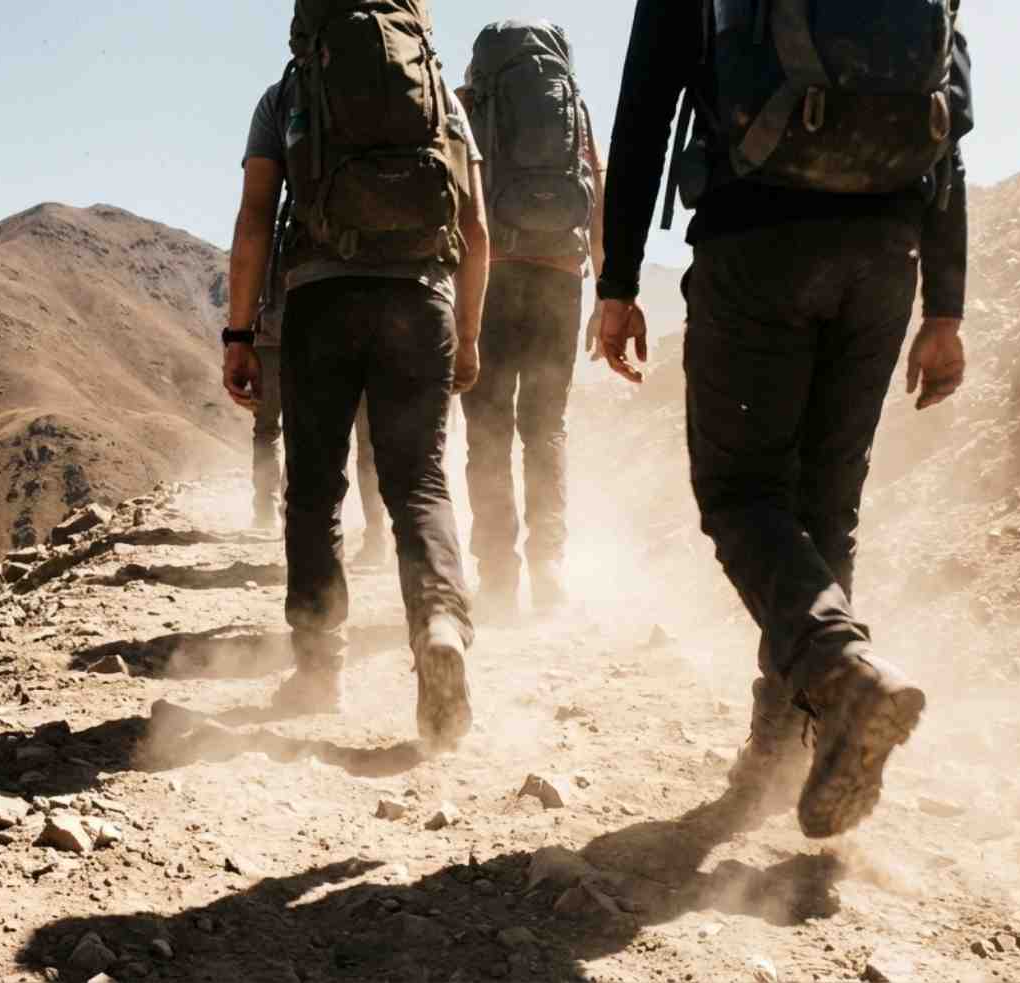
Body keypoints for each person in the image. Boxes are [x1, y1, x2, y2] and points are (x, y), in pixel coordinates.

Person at [598, 0, 972, 838]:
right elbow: (950, 114)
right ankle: (784, 752)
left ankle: (839, 672)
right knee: (825, 507)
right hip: (887, 251)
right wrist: (945, 308)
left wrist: (617, 282)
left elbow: (645, 109)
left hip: (757, 239)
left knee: (740, 492)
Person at [224, 1, 490, 752]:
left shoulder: (287, 95)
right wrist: (467, 333)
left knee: (314, 485)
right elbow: (474, 226)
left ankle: (318, 666)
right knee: (421, 483)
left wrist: (240, 333)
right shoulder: (434, 87)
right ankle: (439, 624)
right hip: (421, 298)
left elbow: (252, 218)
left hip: (320, 301)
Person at [457, 20, 606, 618]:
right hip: (561, 278)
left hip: (489, 278)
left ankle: (497, 577)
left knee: (487, 432)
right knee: (545, 428)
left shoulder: (467, 104)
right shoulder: (576, 109)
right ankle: (548, 566)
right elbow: (597, 189)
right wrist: (607, 291)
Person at [251, 268, 389, 568]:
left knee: (289, 433)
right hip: (368, 335)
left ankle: (281, 515)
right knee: (370, 447)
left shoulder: (295, 230)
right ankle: (377, 537)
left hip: (292, 339)